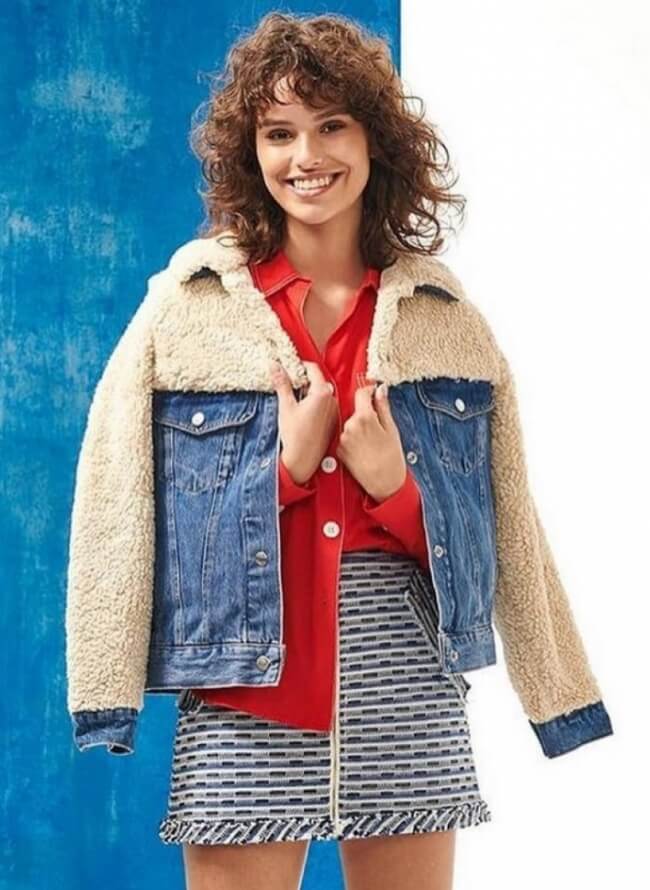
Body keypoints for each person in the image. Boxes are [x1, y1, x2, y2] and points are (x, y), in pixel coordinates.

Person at [65, 11, 613, 890]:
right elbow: (114, 504)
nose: (306, 155)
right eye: (279, 133)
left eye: (331, 126)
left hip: (406, 685)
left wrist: (396, 489)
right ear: (252, 151)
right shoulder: (187, 311)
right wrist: (283, 472)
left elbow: (508, 525)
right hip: (247, 690)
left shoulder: (447, 323)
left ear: (374, 141)